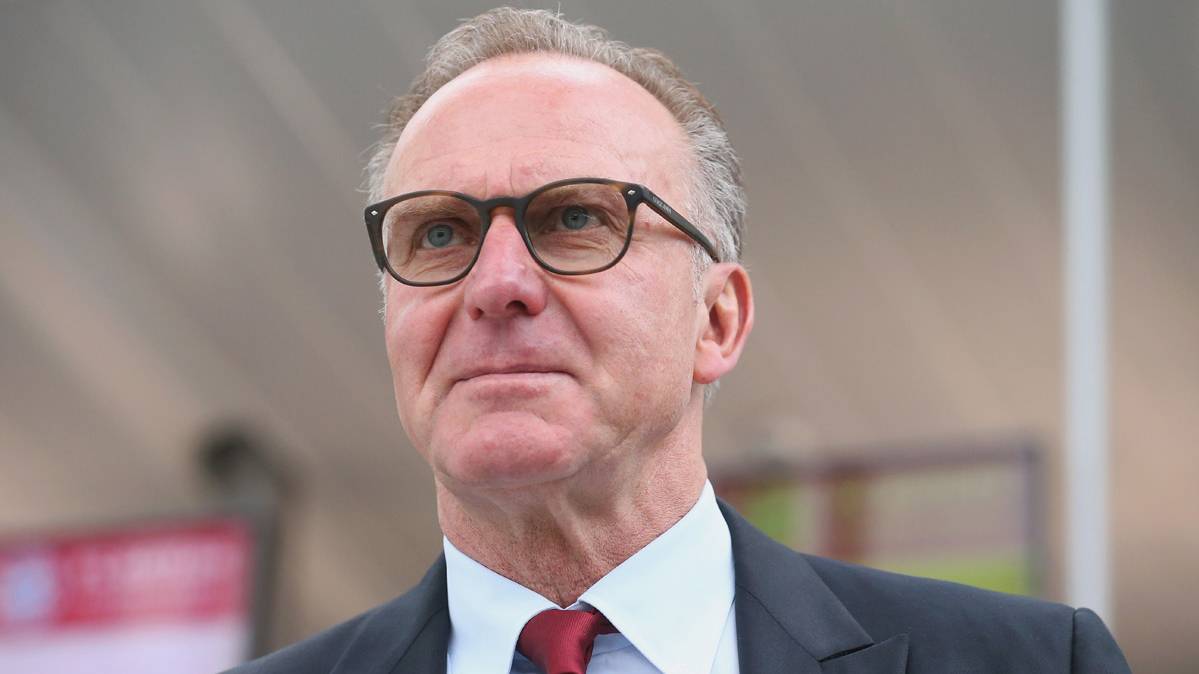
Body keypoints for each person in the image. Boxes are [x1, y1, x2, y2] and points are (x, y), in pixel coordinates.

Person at [228, 8, 1130, 674]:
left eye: (573, 218)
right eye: (438, 233)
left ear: (717, 319)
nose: (496, 283)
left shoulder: (1031, 662)